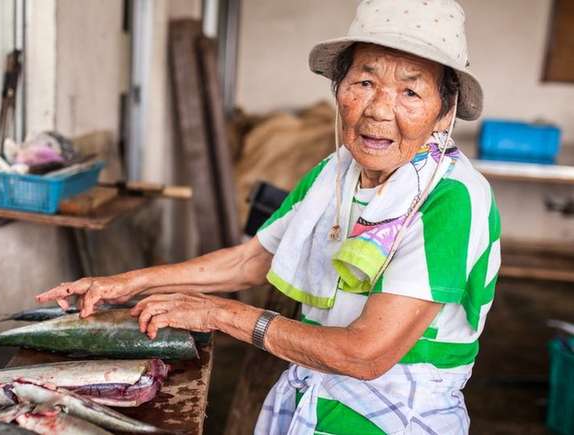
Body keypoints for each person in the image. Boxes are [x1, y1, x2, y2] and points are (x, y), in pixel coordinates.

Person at [37, 0, 500, 433]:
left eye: (411, 91)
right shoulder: (335, 173)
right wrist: (125, 284)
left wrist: (220, 313)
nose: (379, 109)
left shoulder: (451, 198)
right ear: (338, 88)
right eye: (364, 82)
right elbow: (254, 259)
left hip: (393, 417)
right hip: (313, 400)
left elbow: (365, 355)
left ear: (445, 112)